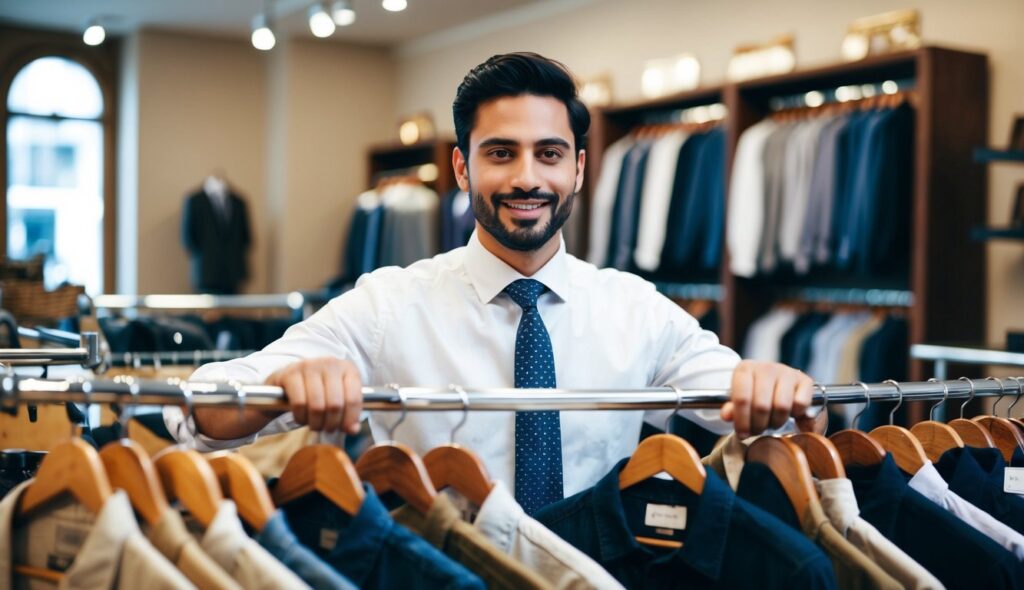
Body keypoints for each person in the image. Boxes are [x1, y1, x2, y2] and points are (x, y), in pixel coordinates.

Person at [164, 52, 820, 514]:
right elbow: (197, 413)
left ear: (580, 170)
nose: (527, 178)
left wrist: (778, 390)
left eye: (549, 154)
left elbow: (760, 410)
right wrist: (284, 387)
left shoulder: (638, 311)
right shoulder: (388, 305)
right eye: (501, 153)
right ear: (461, 167)